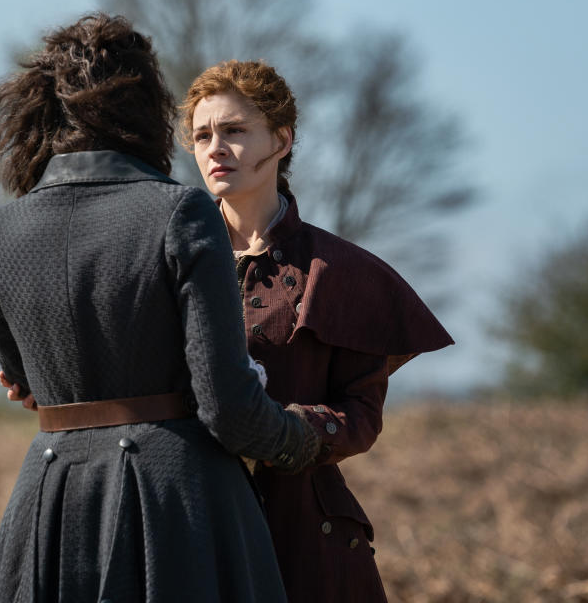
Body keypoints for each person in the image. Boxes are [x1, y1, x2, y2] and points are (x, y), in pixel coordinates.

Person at [0, 16, 320, 603]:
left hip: (50, 500)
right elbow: (228, 408)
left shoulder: (1, 229)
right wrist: (299, 441)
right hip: (174, 507)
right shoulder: (181, 212)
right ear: (143, 109)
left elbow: (27, 383)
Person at [181, 60, 454, 602]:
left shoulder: (340, 271)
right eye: (203, 135)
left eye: (235, 130)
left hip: (307, 540)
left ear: (281, 140)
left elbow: (361, 416)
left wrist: (284, 431)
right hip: (189, 524)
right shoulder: (166, 261)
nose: (215, 147)